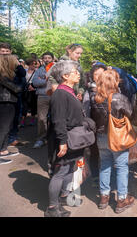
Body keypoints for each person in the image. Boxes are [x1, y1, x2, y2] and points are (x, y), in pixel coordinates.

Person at [90, 68, 135, 213]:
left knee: (104, 166)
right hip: (117, 138)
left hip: (101, 137)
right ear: (115, 81)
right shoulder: (119, 98)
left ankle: (104, 198)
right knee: (122, 168)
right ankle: (121, 200)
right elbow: (130, 113)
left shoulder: (94, 98)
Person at [45, 60, 85, 217]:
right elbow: (58, 120)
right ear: (65, 76)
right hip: (65, 138)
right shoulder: (61, 94)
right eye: (75, 72)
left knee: (68, 168)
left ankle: (61, 200)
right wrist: (62, 142)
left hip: (71, 137)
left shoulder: (69, 91)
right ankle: (52, 208)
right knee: (60, 172)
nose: (79, 74)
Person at [0, 43, 26, 147]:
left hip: (14, 97)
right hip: (4, 97)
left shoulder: (12, 62)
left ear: (10, 52)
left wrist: (18, 64)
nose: (5, 53)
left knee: (11, 122)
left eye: (7, 51)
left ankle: (7, 145)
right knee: (4, 124)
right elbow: (4, 80)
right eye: (2, 51)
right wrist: (18, 88)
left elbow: (23, 74)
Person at [0, 55, 22, 165]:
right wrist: (23, 84)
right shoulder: (2, 76)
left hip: (9, 102)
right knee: (3, 128)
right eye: (15, 62)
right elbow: (17, 88)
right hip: (5, 103)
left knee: (7, 127)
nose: (17, 63)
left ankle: (3, 150)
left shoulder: (6, 75)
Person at [31, 52, 55, 149]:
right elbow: (35, 82)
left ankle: (55, 138)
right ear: (42, 59)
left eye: (49, 58)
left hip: (55, 95)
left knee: (56, 117)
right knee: (41, 118)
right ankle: (41, 138)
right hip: (42, 96)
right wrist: (46, 80)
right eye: (45, 58)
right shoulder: (39, 70)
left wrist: (46, 79)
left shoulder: (56, 69)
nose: (47, 59)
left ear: (52, 59)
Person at [20, 58, 39, 128]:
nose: (33, 66)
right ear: (29, 64)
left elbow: (39, 81)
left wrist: (34, 87)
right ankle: (22, 121)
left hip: (34, 91)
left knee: (33, 106)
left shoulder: (37, 72)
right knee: (24, 106)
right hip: (26, 91)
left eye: (35, 64)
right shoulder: (25, 71)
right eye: (32, 64)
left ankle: (32, 120)